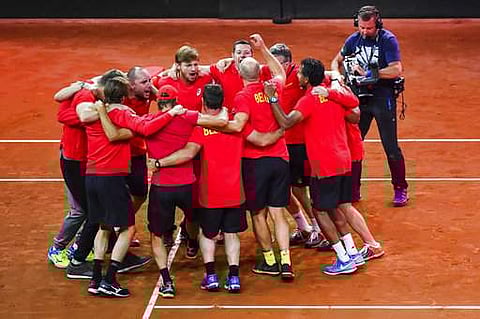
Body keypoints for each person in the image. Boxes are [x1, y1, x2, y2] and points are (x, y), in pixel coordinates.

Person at [153, 84, 284, 295]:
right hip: (235, 193)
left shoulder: (200, 129)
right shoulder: (237, 127)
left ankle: (211, 276)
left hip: (209, 194)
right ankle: (233, 278)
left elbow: (187, 154)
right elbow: (262, 140)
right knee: (232, 234)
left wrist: (161, 163)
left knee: (207, 234)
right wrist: (282, 128)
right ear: (223, 102)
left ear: (203, 102)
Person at [82, 76, 185, 297]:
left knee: (104, 227)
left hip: (91, 176)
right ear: (124, 95)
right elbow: (146, 129)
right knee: (128, 229)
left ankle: (95, 279)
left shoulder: (92, 113)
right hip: (112, 177)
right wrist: (171, 113)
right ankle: (109, 280)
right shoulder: (122, 113)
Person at [268, 57, 364, 275]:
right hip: (343, 160)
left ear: (308, 77)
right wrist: (334, 94)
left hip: (324, 164)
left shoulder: (309, 99)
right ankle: (352, 251)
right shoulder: (333, 95)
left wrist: (272, 100)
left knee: (319, 210)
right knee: (336, 206)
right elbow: (355, 115)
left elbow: (286, 122)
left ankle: (342, 257)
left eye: (301, 73)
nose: (298, 76)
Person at [331, 5, 408, 207]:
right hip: (359, 99)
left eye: (369, 28)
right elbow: (336, 61)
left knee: (390, 146)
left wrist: (372, 74)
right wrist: (338, 77)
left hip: (382, 97)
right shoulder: (353, 40)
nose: (365, 32)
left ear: (378, 24)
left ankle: (400, 188)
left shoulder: (388, 40)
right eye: (362, 28)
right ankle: (353, 189)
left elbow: (396, 70)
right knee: (354, 145)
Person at [268, 43, 325, 249]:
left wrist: (335, 83)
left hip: (299, 144)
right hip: (280, 144)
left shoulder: (299, 76)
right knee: (284, 190)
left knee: (300, 189)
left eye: (280, 63)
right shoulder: (270, 76)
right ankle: (303, 227)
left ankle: (319, 228)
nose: (276, 68)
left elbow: (326, 76)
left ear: (289, 63)